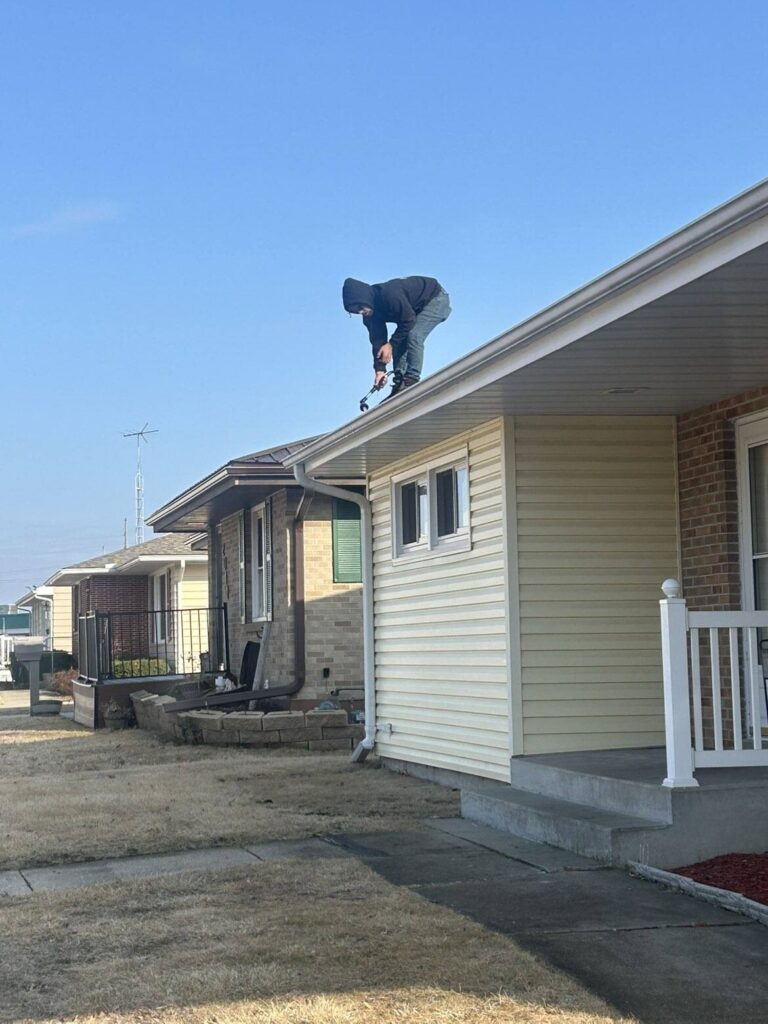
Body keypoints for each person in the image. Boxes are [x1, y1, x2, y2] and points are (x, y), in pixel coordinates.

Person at [343, 276, 451, 397]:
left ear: (365, 298)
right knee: (396, 342)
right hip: (413, 309)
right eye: (356, 312)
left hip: (435, 298)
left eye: (360, 307)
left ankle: (411, 379)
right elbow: (378, 341)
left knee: (413, 335)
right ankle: (400, 381)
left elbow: (409, 321)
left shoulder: (389, 295)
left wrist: (391, 344)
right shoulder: (370, 316)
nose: (360, 312)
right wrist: (380, 370)